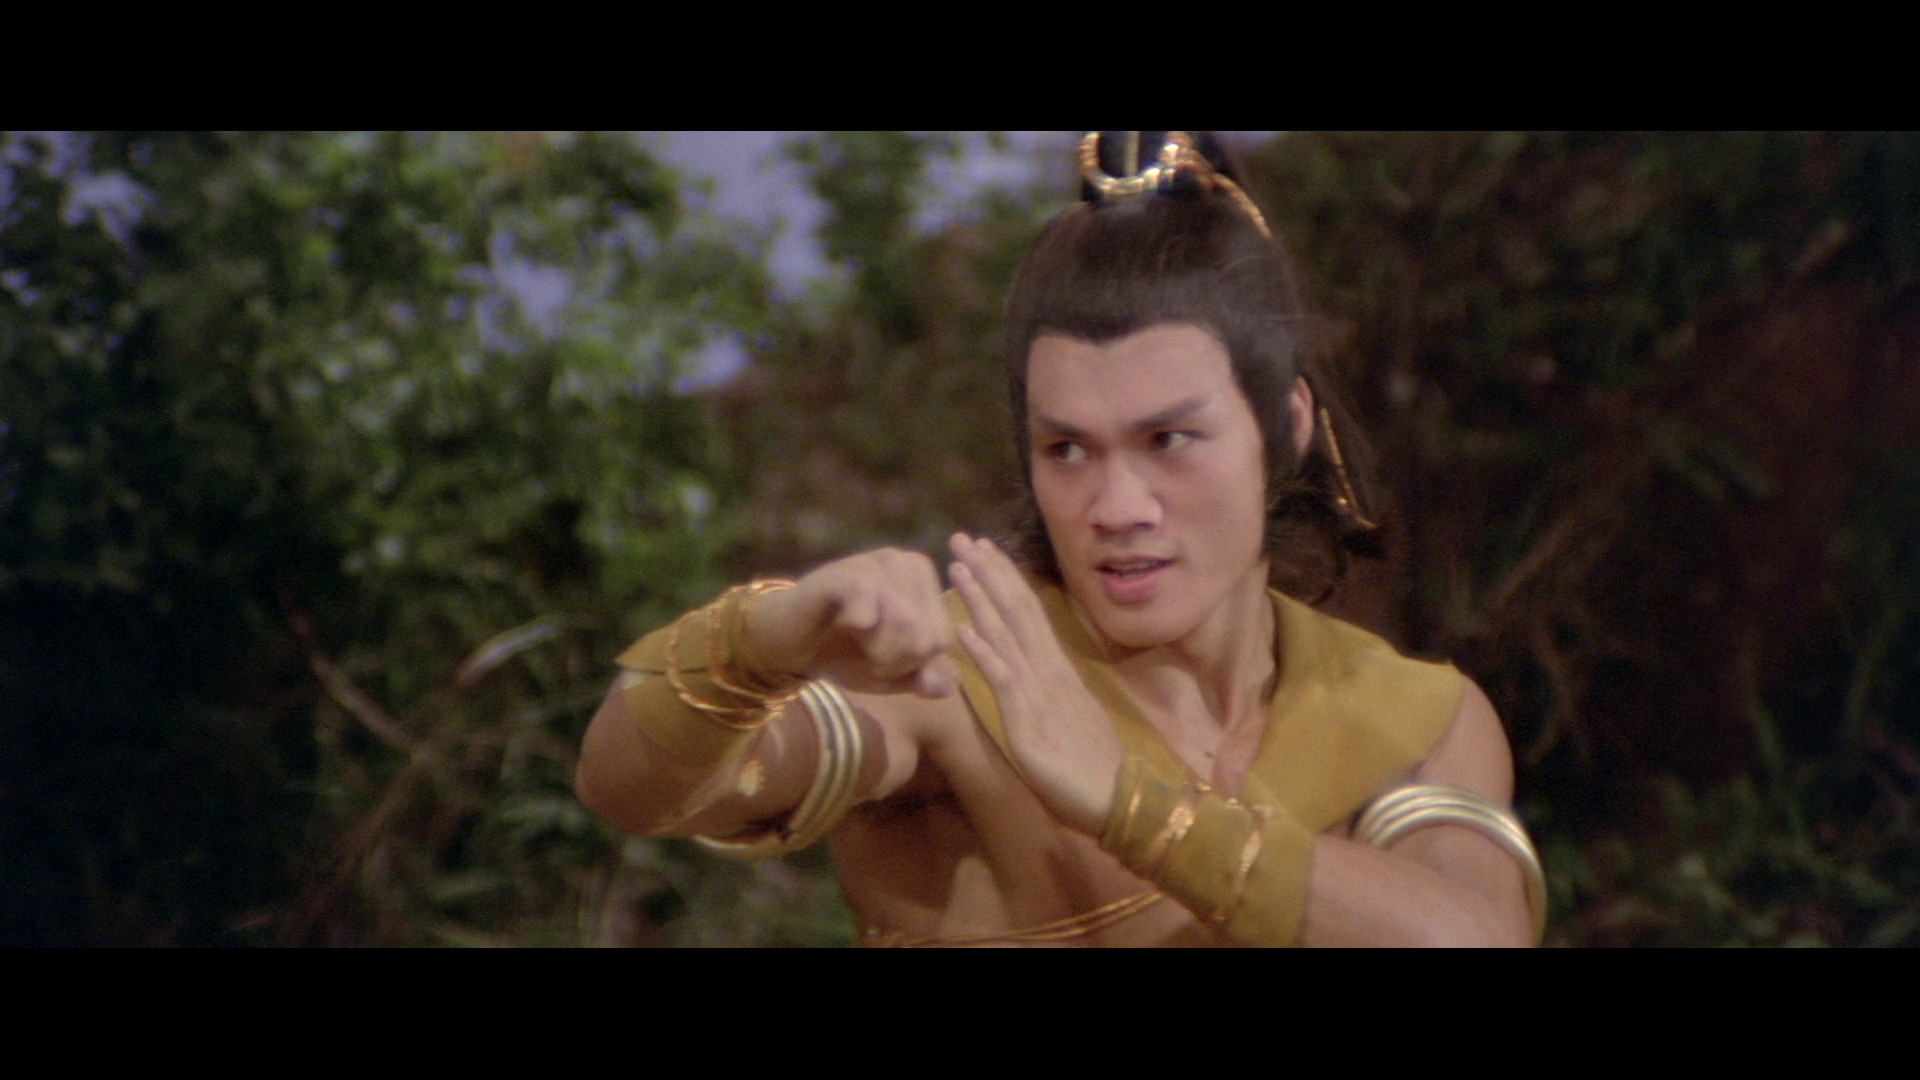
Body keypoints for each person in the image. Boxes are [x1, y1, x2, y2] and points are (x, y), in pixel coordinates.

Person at [577, 132, 1545, 946]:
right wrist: (765, 640)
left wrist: (1132, 804)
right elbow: (628, 788)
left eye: (1169, 440)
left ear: (1284, 427)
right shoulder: (959, 679)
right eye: (1068, 448)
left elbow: (1474, 938)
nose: (1117, 505)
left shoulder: (1413, 717)